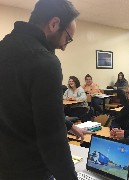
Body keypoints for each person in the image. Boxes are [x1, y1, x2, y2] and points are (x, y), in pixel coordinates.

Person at [0, 0, 87, 179]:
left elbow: (24, 106)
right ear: (54, 23)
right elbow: (52, 139)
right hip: (31, 169)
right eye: (67, 38)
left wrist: (69, 125)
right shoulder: (45, 62)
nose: (64, 46)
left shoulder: (4, 47)